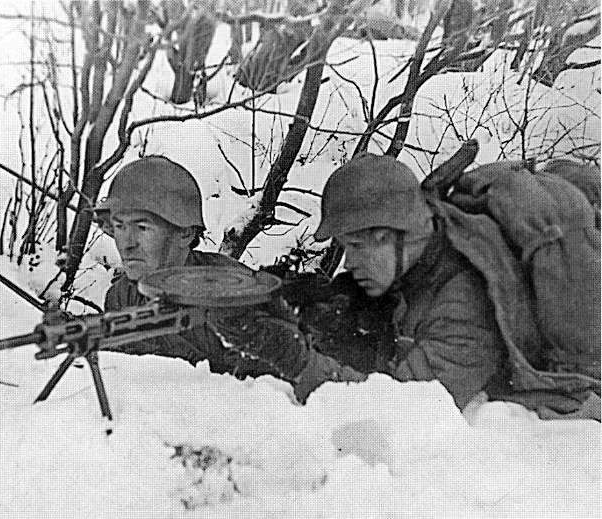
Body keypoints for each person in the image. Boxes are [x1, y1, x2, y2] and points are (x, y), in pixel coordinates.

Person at [216, 154, 600, 419]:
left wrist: (293, 357)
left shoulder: (465, 312)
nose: (349, 262)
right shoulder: (428, 248)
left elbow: (398, 410)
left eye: (358, 246)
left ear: (393, 236)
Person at [94, 155, 297, 382]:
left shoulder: (236, 291)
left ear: (185, 233)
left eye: (142, 228)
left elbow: (279, 388)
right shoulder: (121, 296)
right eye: (120, 227)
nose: (127, 243)